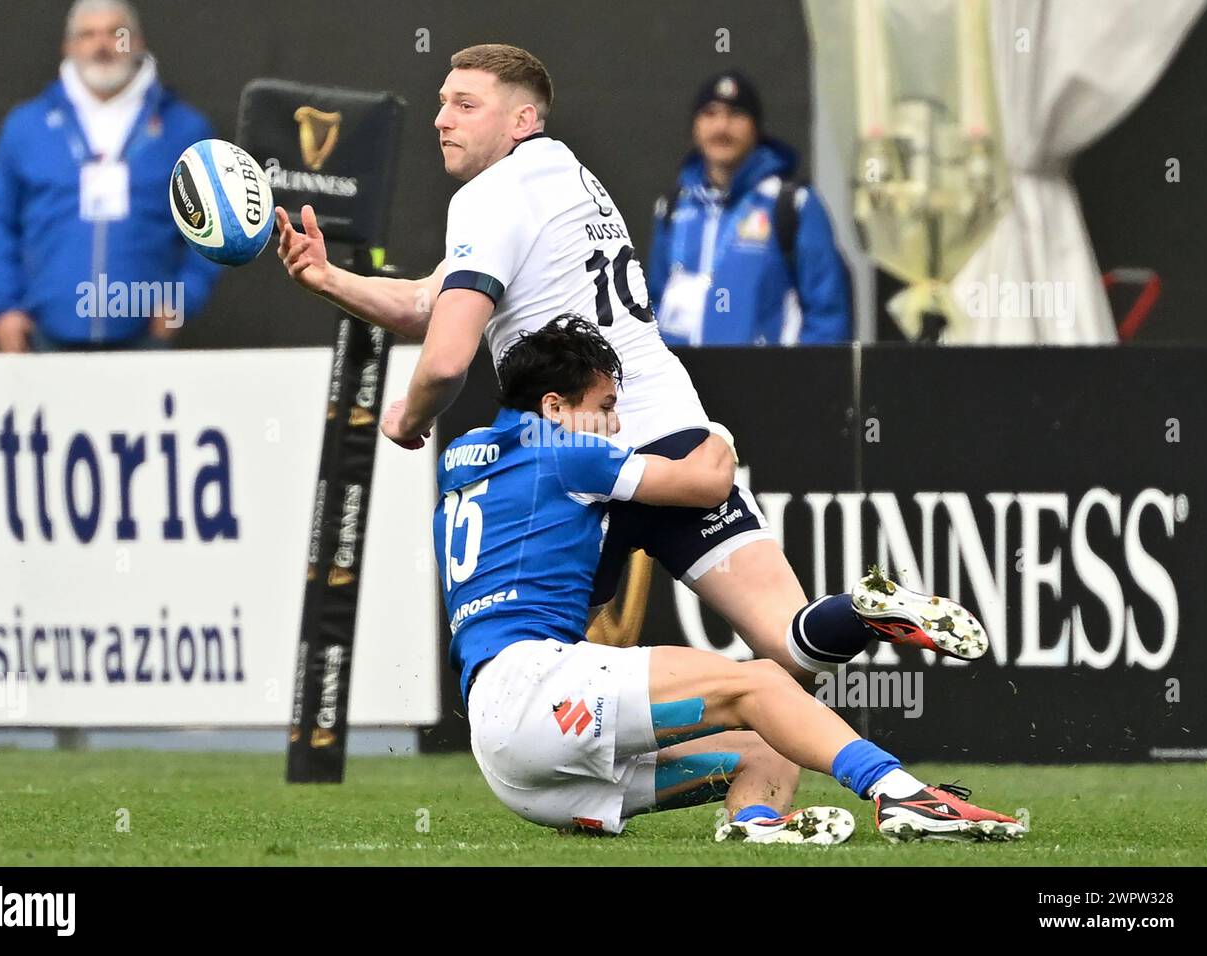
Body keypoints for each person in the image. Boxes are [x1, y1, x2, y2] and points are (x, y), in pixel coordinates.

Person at [273, 43, 987, 708]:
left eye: (465, 104)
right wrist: (327, 277)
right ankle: (860, 615)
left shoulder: (490, 197)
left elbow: (449, 354)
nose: (440, 119)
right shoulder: (568, 178)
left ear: (521, 119)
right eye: (441, 101)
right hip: (676, 430)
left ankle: (623, 787)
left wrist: (408, 418)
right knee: (794, 645)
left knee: (531, 673)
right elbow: (431, 301)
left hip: (583, 451)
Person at [439, 315, 1022, 841]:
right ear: (555, 408)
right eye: (606, 405)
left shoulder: (461, 457)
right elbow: (708, 483)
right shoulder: (564, 451)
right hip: (539, 692)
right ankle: (902, 795)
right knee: (767, 680)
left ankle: (756, 824)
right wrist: (711, 428)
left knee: (771, 738)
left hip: (515, 767)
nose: (616, 424)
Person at [0, 0, 220, 353]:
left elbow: (214, 226)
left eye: (114, 33)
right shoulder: (26, 126)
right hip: (44, 336)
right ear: (68, 47)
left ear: (137, 42)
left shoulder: (183, 128)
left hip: (145, 339)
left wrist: (186, 296)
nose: (101, 45)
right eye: (87, 35)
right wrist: (4, 307)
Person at [647, 71, 852, 346]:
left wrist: (806, 382)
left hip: (767, 384)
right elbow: (655, 302)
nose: (722, 126)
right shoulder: (673, 208)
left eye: (736, 115)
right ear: (695, 126)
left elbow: (828, 314)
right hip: (685, 382)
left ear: (756, 128)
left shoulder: (792, 203)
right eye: (710, 114)